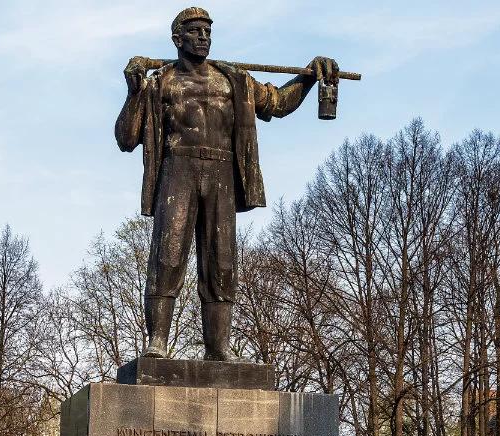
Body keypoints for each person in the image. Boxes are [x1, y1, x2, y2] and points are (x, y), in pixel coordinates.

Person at [116, 7, 338, 360]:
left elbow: (278, 103)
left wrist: (310, 77)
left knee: (221, 261)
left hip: (221, 171)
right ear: (178, 39)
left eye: (207, 31)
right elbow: (127, 138)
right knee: (168, 255)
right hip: (178, 167)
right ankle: (157, 342)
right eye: (195, 31)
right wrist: (134, 92)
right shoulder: (161, 82)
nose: (204, 36)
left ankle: (218, 348)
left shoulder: (233, 81)